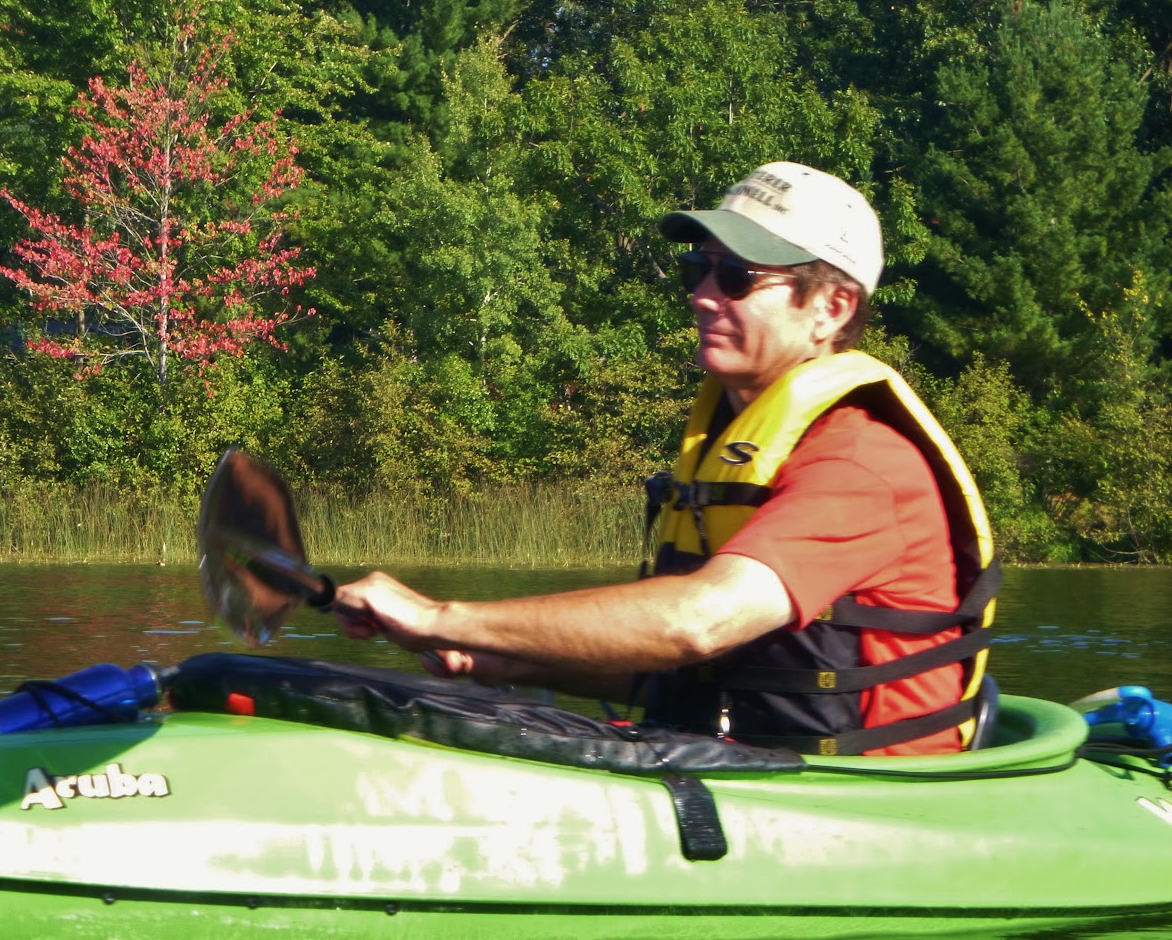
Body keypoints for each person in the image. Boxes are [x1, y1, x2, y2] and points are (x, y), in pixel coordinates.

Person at [335, 162, 999, 757]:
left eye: (737, 277)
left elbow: (699, 623)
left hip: (866, 808)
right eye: (697, 270)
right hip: (745, 764)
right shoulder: (731, 445)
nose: (703, 294)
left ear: (831, 307)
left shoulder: (858, 463)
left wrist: (440, 617)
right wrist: (496, 655)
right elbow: (686, 674)